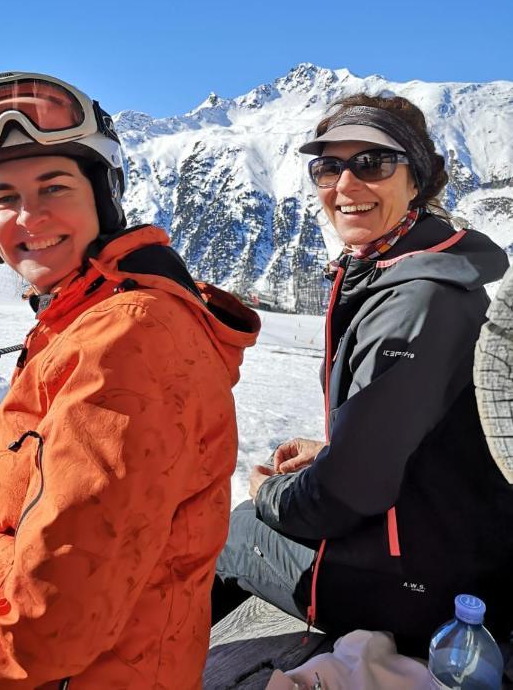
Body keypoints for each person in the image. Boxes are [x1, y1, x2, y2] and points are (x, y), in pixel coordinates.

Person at [0, 71, 260, 689]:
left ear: (103, 197)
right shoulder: (81, 318)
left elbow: (46, 627)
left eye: (54, 185)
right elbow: (38, 520)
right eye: (3, 197)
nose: (29, 215)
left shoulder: (127, 344)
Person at [213, 92, 513, 655]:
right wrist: (338, 447)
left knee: (229, 532)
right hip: (447, 546)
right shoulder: (409, 273)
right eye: (328, 166)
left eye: (372, 163)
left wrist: (270, 492)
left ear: (416, 179)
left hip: (426, 589)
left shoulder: (415, 301)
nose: (346, 185)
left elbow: (344, 497)